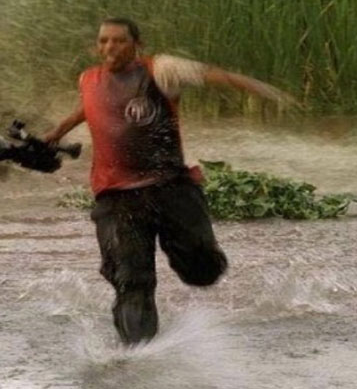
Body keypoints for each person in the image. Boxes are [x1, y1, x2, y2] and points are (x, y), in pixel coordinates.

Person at [44, 17, 294, 344]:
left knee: (202, 271)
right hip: (117, 198)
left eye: (119, 40)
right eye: (103, 41)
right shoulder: (88, 79)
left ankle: (198, 267)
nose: (110, 47)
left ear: (137, 45)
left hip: (171, 189)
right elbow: (90, 107)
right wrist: (57, 131)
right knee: (131, 280)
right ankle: (138, 353)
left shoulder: (161, 71)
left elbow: (215, 75)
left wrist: (265, 90)